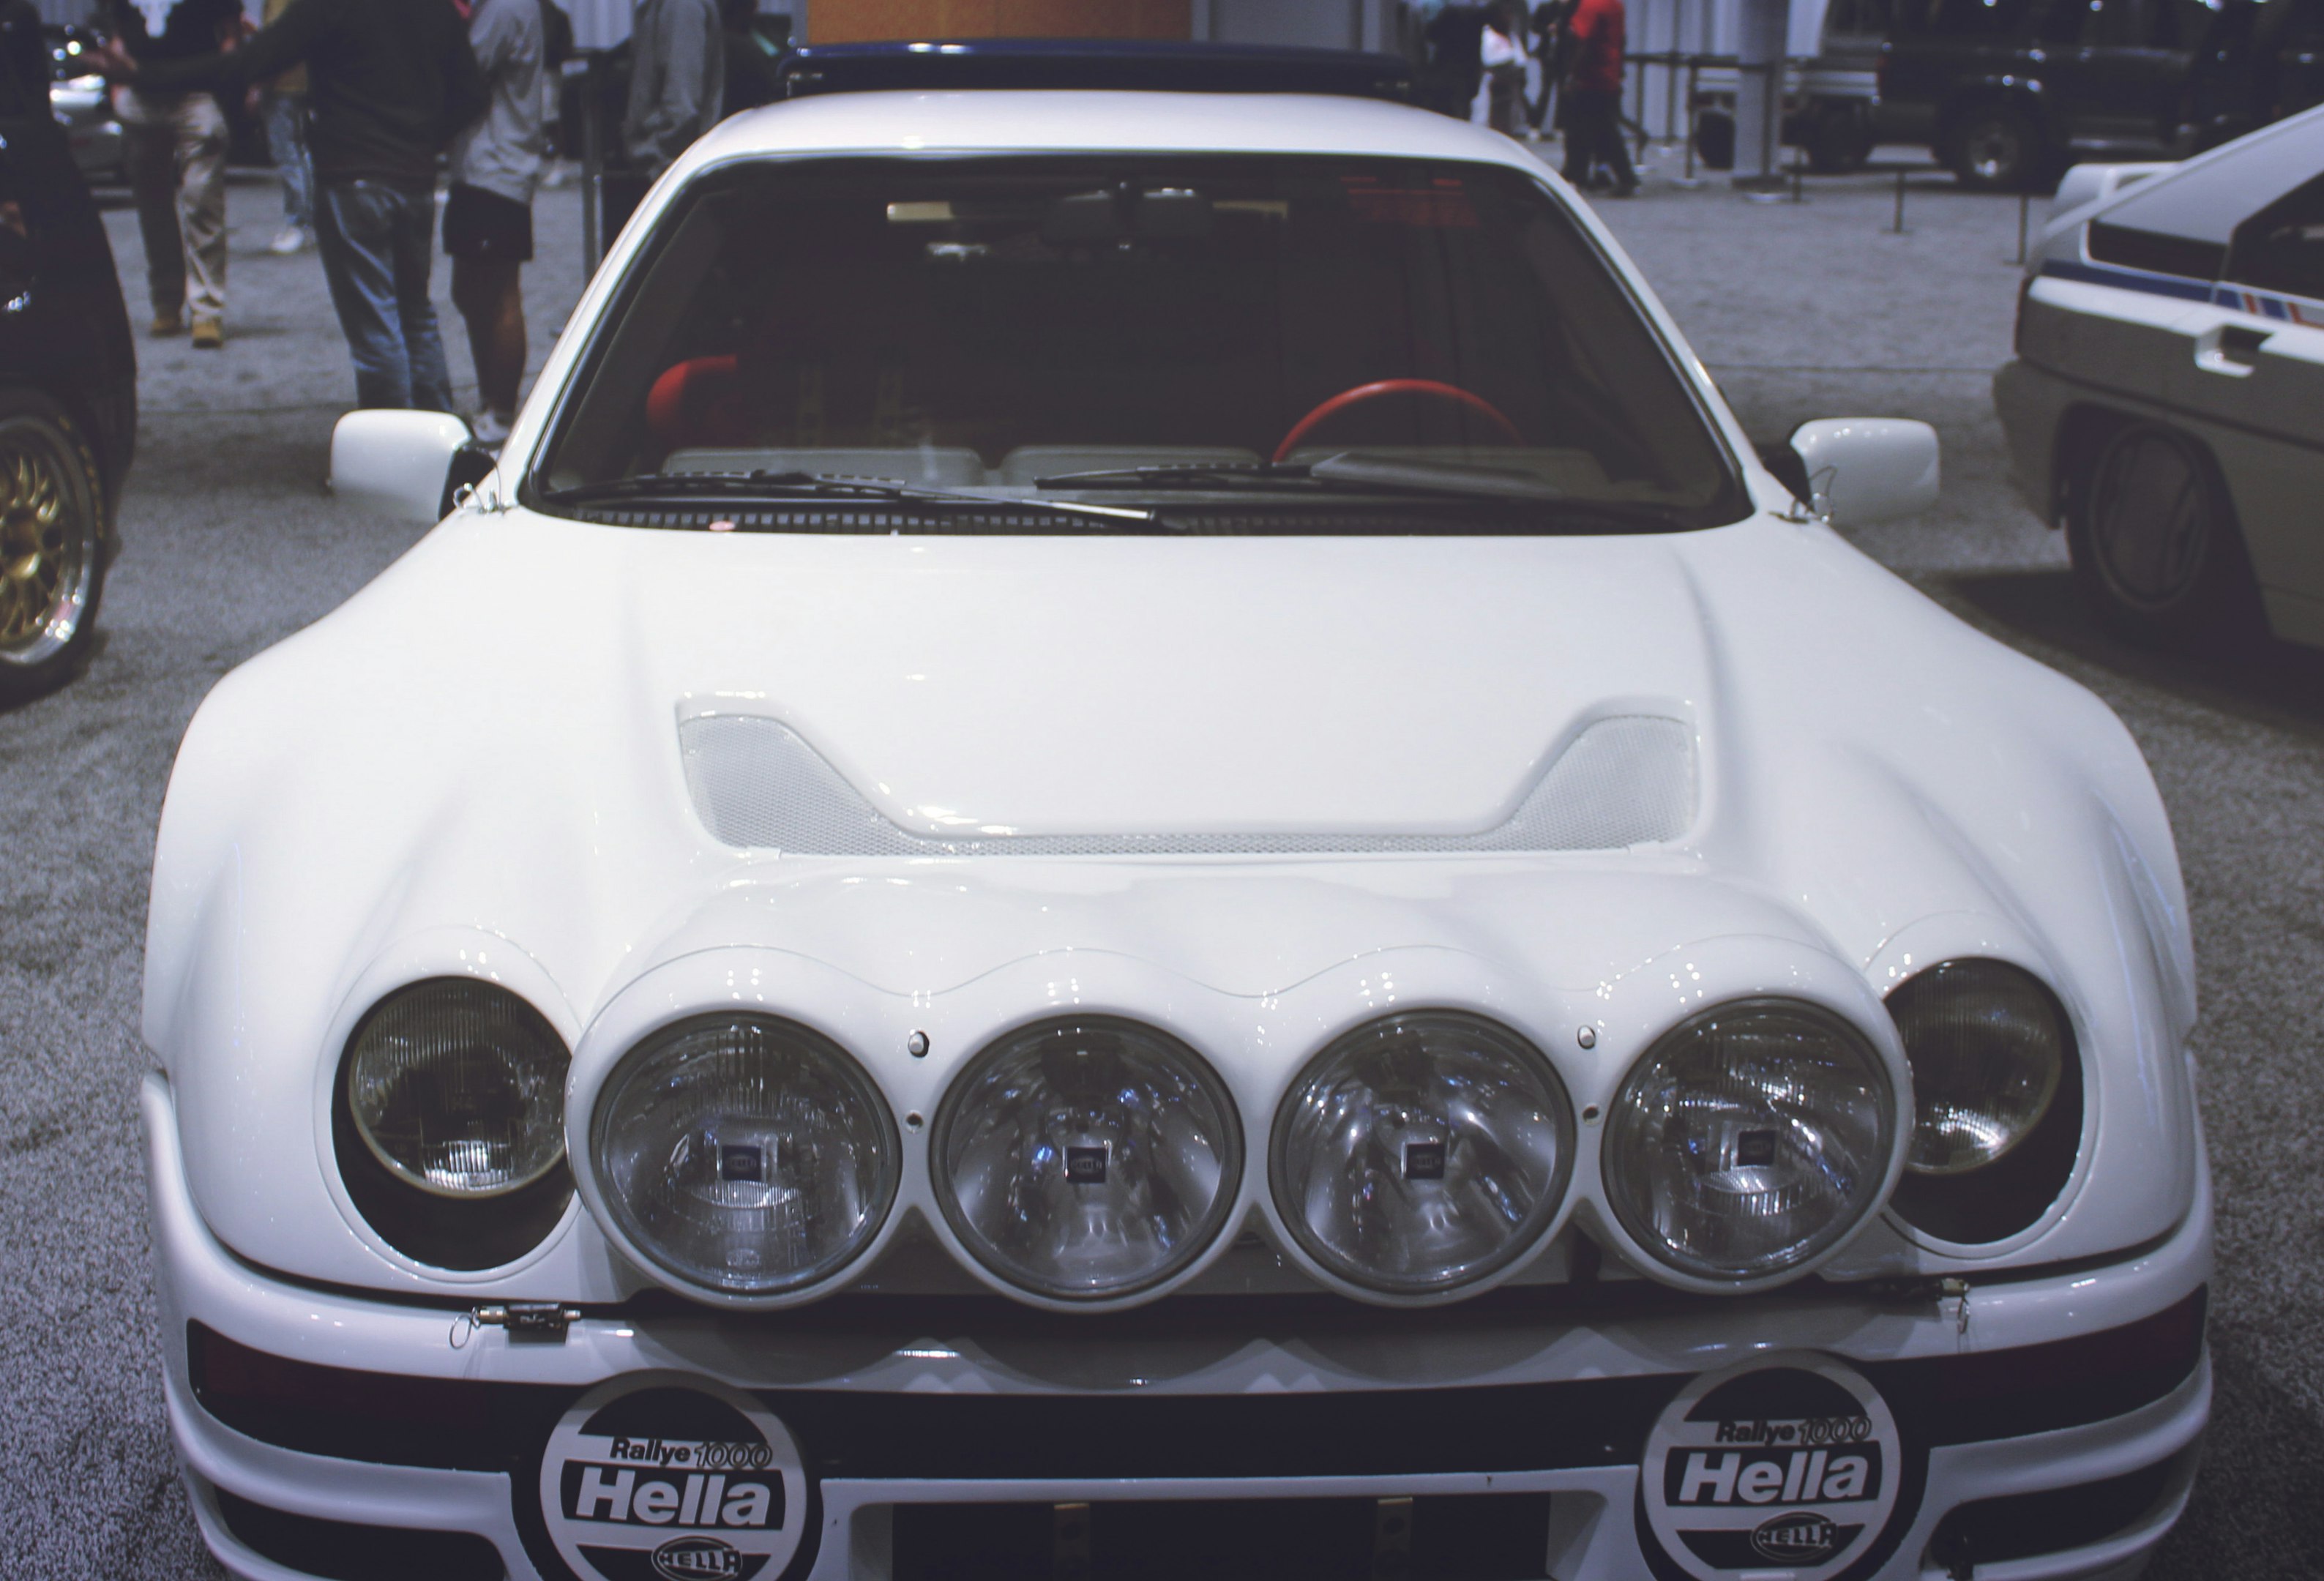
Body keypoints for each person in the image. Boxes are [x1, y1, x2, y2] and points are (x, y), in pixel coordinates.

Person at [89, 0, 486, 410]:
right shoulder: (434, 7)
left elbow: (247, 63)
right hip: (414, 177)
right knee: (416, 315)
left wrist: (142, 75)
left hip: (352, 172)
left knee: (375, 329)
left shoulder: (330, 8)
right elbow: (472, 94)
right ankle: (439, 439)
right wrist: (424, 138)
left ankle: (388, 451)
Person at [107, 0, 240, 346]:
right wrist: (117, 86)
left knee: (202, 202)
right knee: (153, 209)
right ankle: (166, 302)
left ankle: (207, 310)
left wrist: (229, 88)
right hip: (141, 94)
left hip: (195, 94)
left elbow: (230, 36)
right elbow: (118, 29)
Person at [446, 0, 548, 445]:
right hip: (482, 166)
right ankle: (492, 400)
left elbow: (463, 70)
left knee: (499, 292)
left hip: (498, 167)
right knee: (469, 290)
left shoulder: (505, 8)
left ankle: (503, 412)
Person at [1560, 0, 1638, 197]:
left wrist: (1572, 76)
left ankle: (1622, 177)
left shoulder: (1591, 6)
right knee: (1603, 127)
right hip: (1609, 74)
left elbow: (1583, 42)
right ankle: (1584, 174)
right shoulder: (1614, 4)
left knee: (1585, 129)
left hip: (1592, 77)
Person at [258, 0, 315, 255]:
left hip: (283, 83)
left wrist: (261, 82)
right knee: (302, 153)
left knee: (287, 154)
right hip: (306, 80)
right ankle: (310, 221)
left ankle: (299, 222)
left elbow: (277, 39)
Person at [1480, 1, 1527, 135]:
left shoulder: (1511, 36)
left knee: (1507, 115)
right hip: (1494, 80)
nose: (1509, 18)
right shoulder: (1488, 35)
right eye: (1506, 14)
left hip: (1510, 82)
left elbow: (1520, 59)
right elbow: (1490, 59)